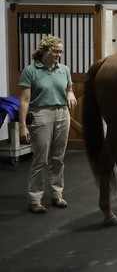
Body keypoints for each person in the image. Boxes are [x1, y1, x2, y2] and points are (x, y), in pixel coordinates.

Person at [18, 36, 77, 213]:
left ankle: (57, 195)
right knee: (41, 159)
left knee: (58, 158)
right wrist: (23, 125)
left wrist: (71, 94)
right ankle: (35, 198)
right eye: (56, 51)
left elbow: (69, 88)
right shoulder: (30, 71)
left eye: (61, 51)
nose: (59, 54)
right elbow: (24, 100)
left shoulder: (64, 69)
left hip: (62, 113)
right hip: (40, 114)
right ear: (44, 51)